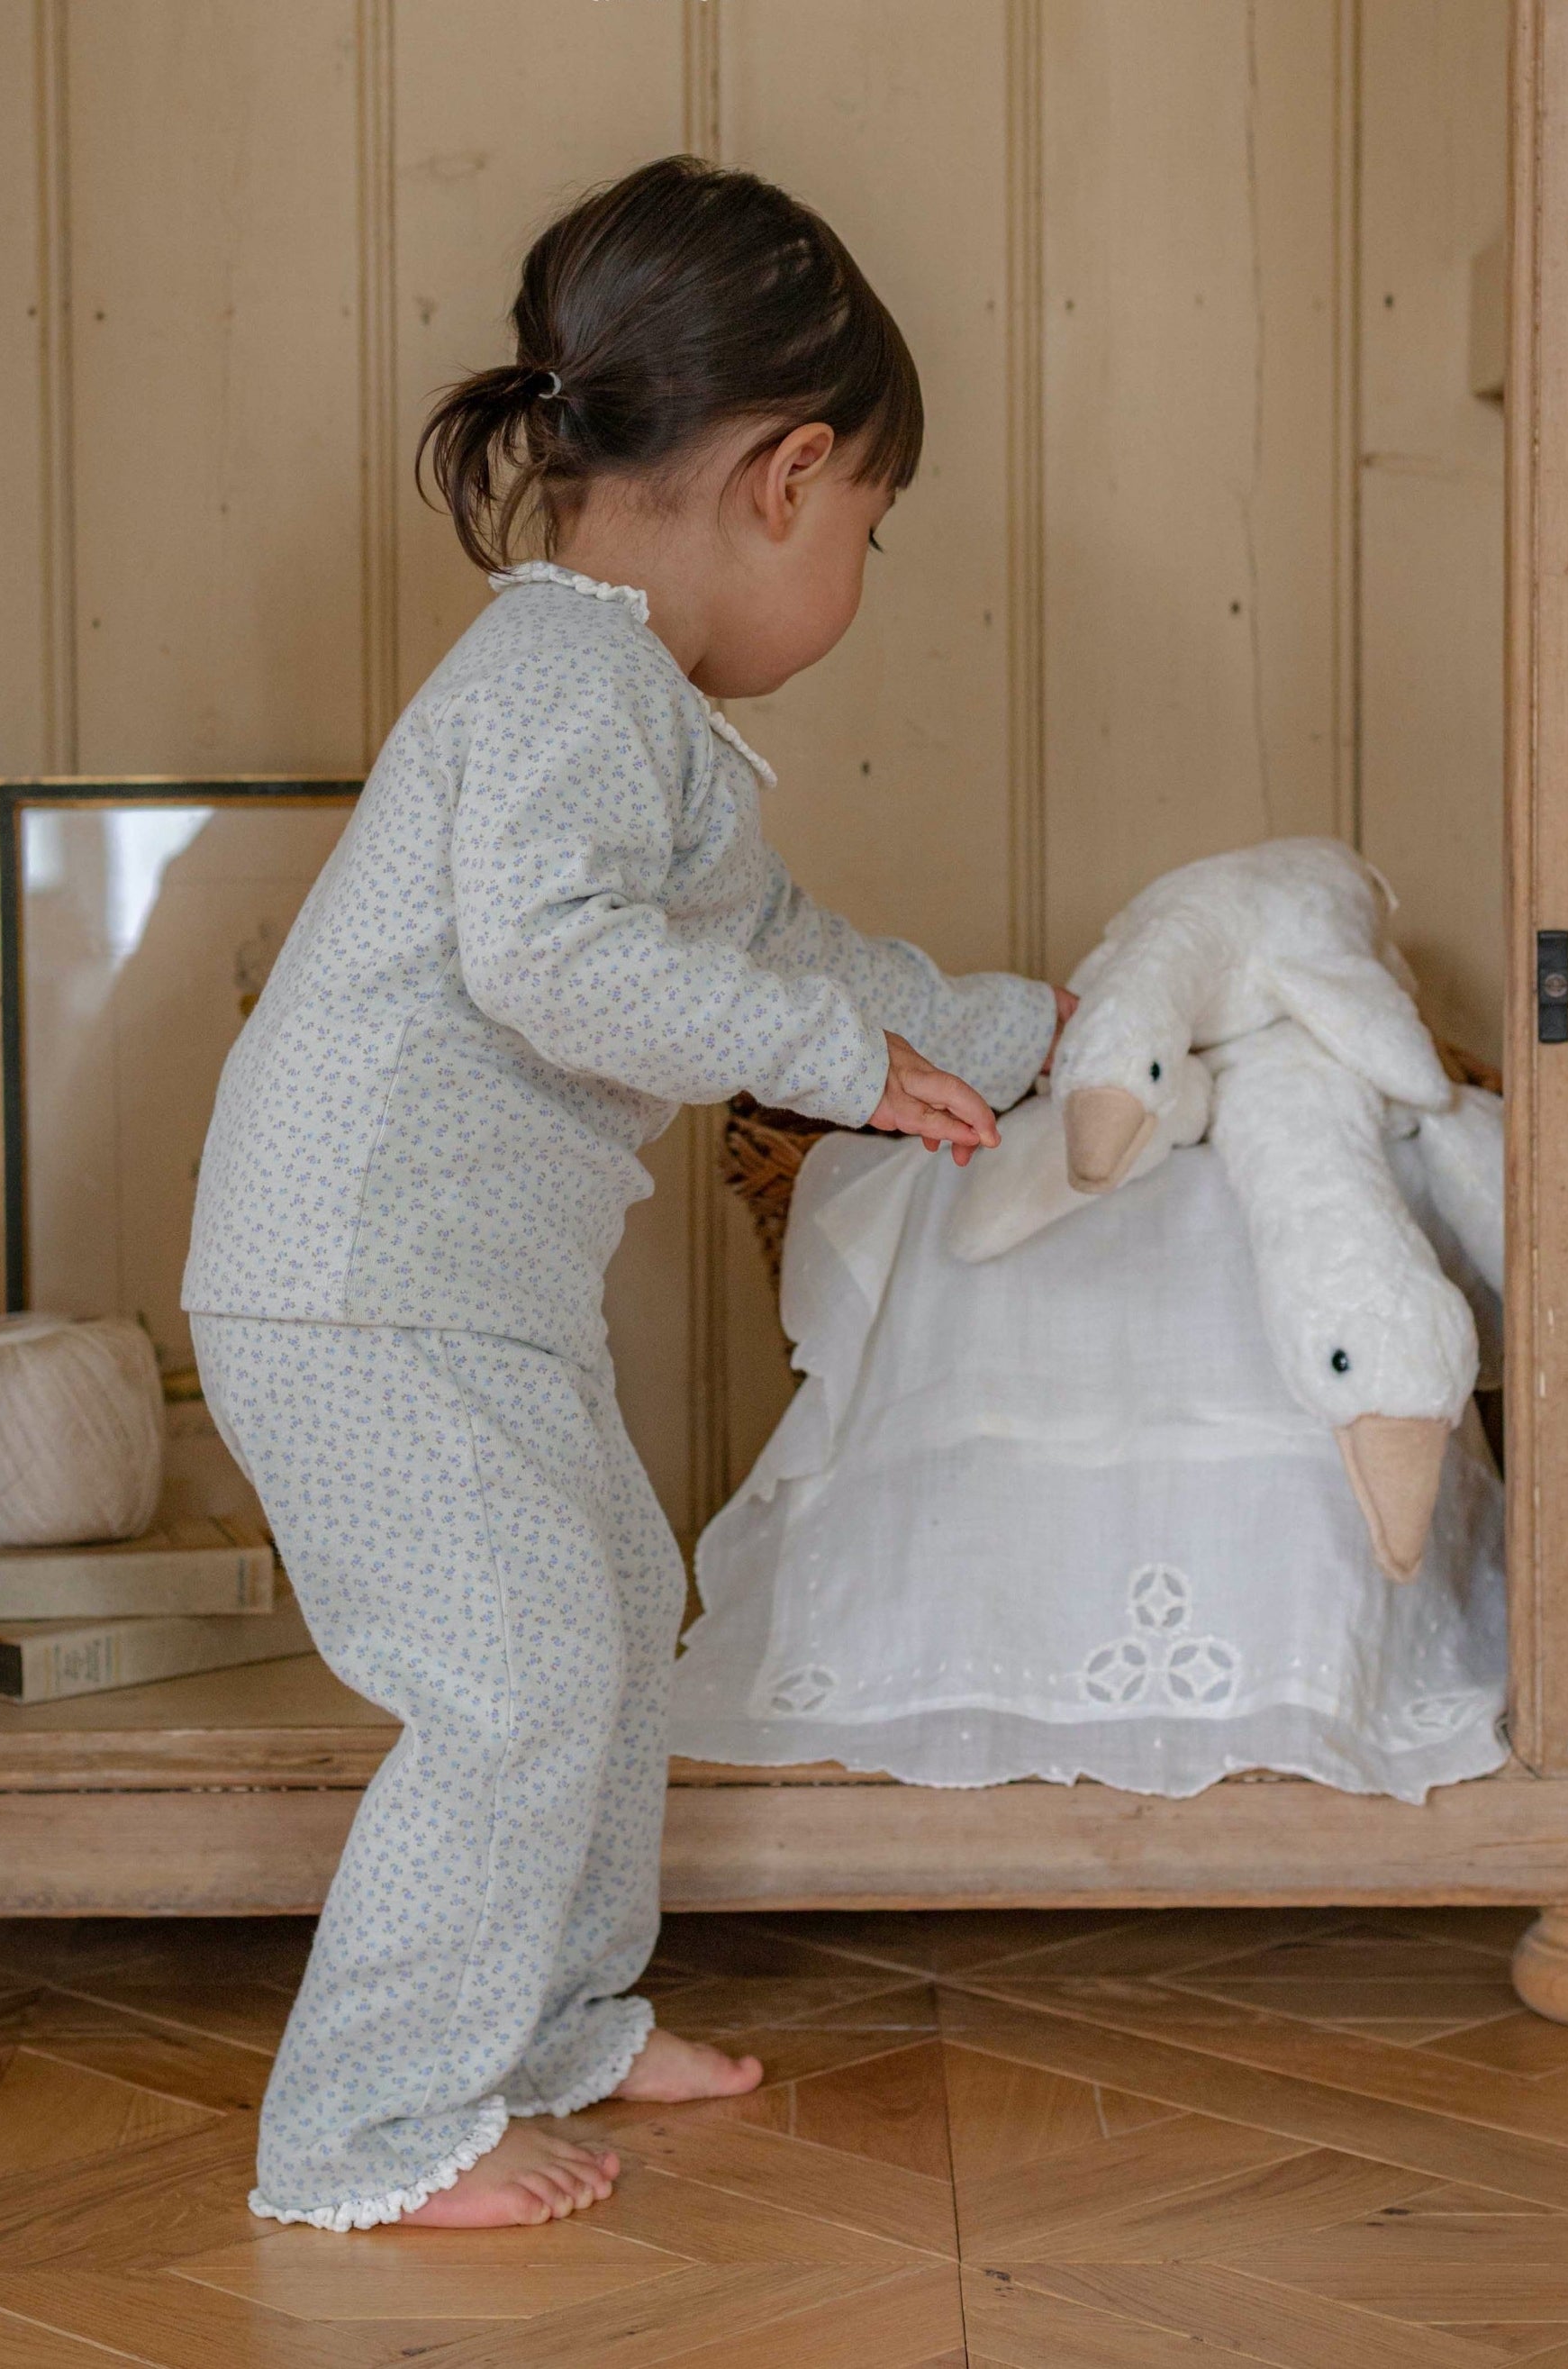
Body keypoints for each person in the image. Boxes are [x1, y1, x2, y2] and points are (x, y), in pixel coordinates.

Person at [184, 154, 1070, 2234]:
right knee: (510, 1679)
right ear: (788, 476)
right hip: (358, 1282)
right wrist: (843, 1069)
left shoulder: (630, 712)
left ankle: (560, 2015)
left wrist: (1028, 1033)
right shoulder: (564, 685)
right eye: (872, 527)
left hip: (460, 1289)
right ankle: (367, 2127)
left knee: (605, 1624)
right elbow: (553, 959)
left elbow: (783, 950)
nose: (858, 563)